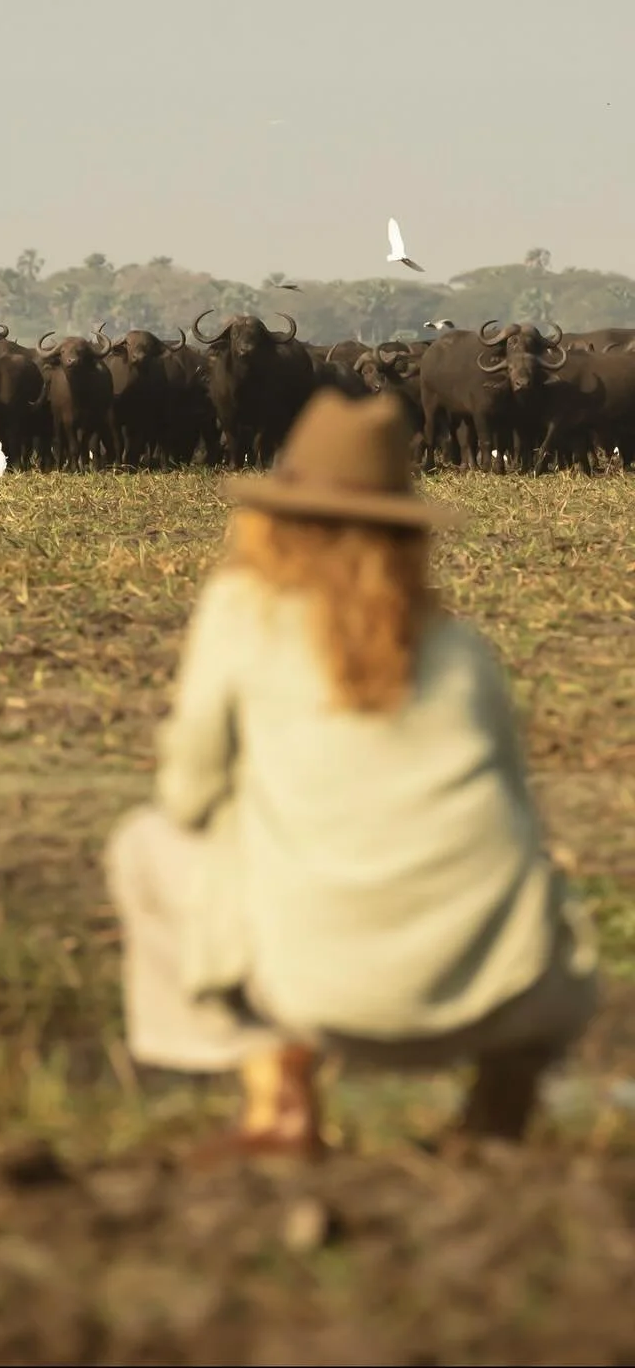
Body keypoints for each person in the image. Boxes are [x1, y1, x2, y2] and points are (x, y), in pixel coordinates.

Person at [106, 389, 598, 1162]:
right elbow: (518, 810)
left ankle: (282, 1095)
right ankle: (501, 1102)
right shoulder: (461, 649)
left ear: (276, 514)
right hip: (505, 995)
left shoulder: (243, 612)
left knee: (146, 841)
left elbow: (186, 795)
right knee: (524, 861)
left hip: (314, 992)